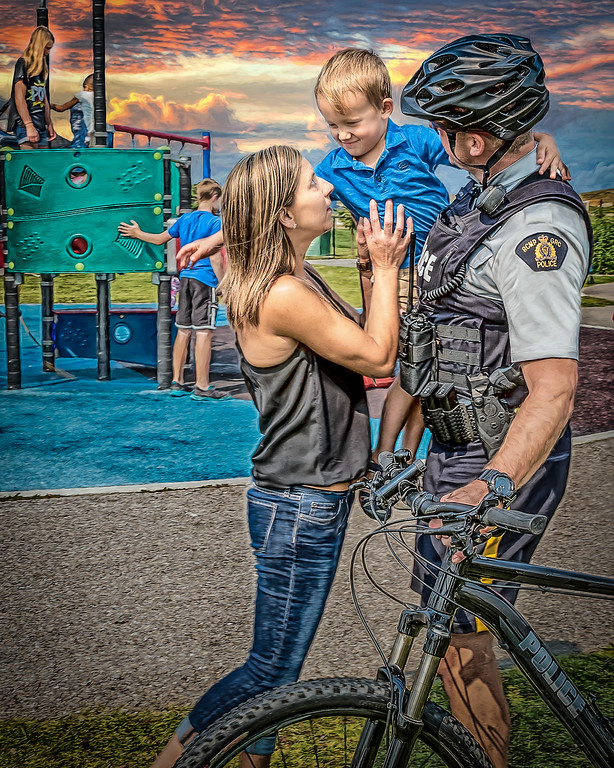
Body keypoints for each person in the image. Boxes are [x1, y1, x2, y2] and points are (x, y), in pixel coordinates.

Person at [150, 145, 410, 768]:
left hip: (296, 500)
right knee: (271, 667)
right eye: (310, 183)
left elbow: (245, 237)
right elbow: (377, 359)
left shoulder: (279, 275)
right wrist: (387, 265)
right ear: (284, 216)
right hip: (301, 506)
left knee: (279, 673)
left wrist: (216, 243)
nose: (325, 187)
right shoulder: (284, 293)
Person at [396, 34, 591, 768]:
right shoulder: (487, 194)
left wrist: (494, 482)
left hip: (497, 455)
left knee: (462, 632)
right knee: (448, 631)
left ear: (477, 134)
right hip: (460, 447)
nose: (440, 141)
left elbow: (556, 388)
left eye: (447, 127)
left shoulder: (537, 227)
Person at [313, 48, 568, 460]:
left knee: (435, 372)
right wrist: (219, 238)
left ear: (385, 109)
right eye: (332, 125)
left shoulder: (414, 141)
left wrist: (543, 138)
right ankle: (382, 452)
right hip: (393, 274)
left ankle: (408, 455)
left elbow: (481, 139)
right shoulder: (333, 167)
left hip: (439, 268)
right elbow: (290, 201)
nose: (342, 134)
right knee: (408, 369)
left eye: (353, 123)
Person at [118, 179, 228, 400]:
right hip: (205, 280)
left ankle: (177, 382)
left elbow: (159, 239)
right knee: (204, 332)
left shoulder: (184, 219)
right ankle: (203, 387)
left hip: (185, 278)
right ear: (215, 197)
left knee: (184, 330)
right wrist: (223, 283)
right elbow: (215, 255)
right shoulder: (216, 223)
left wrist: (137, 233)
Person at [8, 26, 56, 148]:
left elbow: (43, 100)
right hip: (26, 124)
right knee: (30, 162)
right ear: (40, 46)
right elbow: (19, 98)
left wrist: (49, 123)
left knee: (41, 163)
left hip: (40, 124)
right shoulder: (23, 64)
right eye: (47, 48)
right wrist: (28, 125)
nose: (48, 52)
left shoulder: (39, 71)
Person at [51, 73, 94, 148]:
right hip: (92, 131)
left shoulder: (83, 95)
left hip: (81, 128)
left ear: (86, 87)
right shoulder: (98, 99)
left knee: (78, 144)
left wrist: (51, 105)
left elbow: (61, 108)